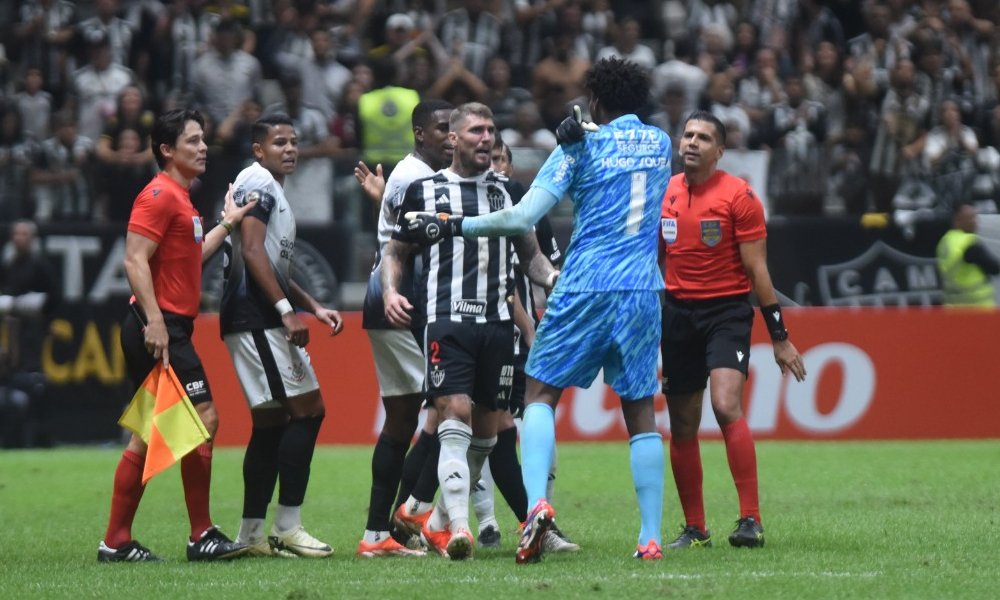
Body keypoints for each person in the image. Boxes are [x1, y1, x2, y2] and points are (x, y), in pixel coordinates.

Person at [404, 57, 672, 562]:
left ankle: (535, 509)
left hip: (585, 283)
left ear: (595, 99)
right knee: (641, 411)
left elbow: (521, 216)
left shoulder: (580, 145)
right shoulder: (661, 144)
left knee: (540, 394)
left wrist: (455, 225)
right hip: (641, 289)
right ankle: (650, 537)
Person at [383, 102, 557, 561]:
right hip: (447, 320)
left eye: (491, 130)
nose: (486, 138)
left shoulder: (508, 192)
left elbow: (531, 257)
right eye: (476, 130)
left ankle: (432, 518)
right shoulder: (425, 191)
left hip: (498, 325)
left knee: (487, 432)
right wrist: (390, 292)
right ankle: (459, 528)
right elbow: (396, 251)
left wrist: (554, 279)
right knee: (454, 411)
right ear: (454, 138)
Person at [98, 108, 255, 563]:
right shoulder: (158, 195)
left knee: (150, 432)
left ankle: (116, 542)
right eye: (193, 141)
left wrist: (228, 223)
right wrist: (155, 321)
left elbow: (191, 257)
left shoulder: (182, 199)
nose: (203, 147)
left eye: (203, 139)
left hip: (164, 324)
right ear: (167, 150)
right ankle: (200, 534)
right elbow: (133, 259)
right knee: (204, 417)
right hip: (158, 326)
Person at [658, 111, 807, 551]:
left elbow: (758, 270)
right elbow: (655, 257)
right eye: (688, 135)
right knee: (682, 423)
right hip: (677, 314)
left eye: (703, 138)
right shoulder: (666, 192)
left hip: (726, 312)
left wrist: (779, 336)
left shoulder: (739, 196)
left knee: (725, 405)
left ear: (720, 151)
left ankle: (750, 520)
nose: (692, 142)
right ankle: (695, 529)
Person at [222, 113, 345, 559]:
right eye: (279, 142)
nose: (290, 149)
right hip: (257, 317)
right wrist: (286, 312)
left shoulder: (270, 186)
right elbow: (252, 251)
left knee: (271, 425)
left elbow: (272, 264)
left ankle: (251, 534)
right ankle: (287, 527)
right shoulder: (258, 182)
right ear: (259, 150)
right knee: (309, 412)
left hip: (255, 315)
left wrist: (312, 305)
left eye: (293, 142)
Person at [353, 99, 453, 559]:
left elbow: (399, 230)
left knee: (402, 419)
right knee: (455, 407)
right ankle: (413, 511)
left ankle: (378, 533)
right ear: (419, 133)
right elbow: (415, 243)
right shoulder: (417, 178)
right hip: (404, 302)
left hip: (383, 300)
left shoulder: (410, 176)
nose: (451, 136)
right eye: (443, 128)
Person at [0, 219, 59, 448]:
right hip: (10, 330)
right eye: (16, 234)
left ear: (32, 239)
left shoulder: (40, 266)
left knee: (33, 379)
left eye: (24, 234)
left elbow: (53, 297)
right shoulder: (7, 265)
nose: (19, 238)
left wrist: (42, 316)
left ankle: (37, 435)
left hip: (33, 333)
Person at [936, 202, 999, 307]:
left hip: (952, 306)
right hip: (976, 307)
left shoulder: (945, 241)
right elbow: (995, 268)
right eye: (970, 218)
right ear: (957, 220)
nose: (975, 222)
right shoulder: (969, 243)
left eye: (975, 217)